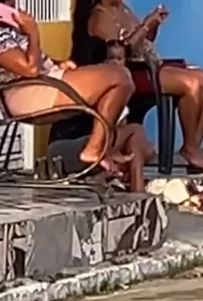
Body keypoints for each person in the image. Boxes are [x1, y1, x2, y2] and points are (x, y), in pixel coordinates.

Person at [0, 0, 135, 174]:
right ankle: (94, 149)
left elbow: (34, 61)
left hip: (45, 84)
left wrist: (57, 63)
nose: (16, 10)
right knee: (119, 77)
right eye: (11, 6)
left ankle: (101, 149)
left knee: (120, 82)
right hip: (31, 94)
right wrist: (32, 31)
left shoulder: (5, 32)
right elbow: (30, 69)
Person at [71, 0, 203, 172]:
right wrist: (145, 25)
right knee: (192, 85)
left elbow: (145, 40)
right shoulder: (99, 17)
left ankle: (193, 145)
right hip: (133, 72)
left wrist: (154, 24)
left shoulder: (123, 9)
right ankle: (190, 146)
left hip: (152, 64)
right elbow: (122, 51)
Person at [48, 40, 155, 191]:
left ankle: (125, 185)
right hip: (67, 149)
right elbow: (103, 136)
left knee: (145, 148)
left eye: (119, 59)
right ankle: (137, 190)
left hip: (96, 149)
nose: (115, 64)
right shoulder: (96, 88)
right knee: (136, 131)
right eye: (110, 59)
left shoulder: (122, 94)